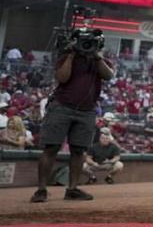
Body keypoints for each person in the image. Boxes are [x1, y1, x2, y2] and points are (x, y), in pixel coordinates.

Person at [30, 34, 116, 203]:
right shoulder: (66, 56)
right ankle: (41, 190)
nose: (87, 46)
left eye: (91, 43)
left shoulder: (100, 61)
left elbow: (108, 76)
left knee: (78, 150)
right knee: (51, 148)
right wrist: (71, 54)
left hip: (87, 110)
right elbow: (62, 77)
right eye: (85, 43)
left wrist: (97, 57)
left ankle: (72, 189)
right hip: (62, 107)